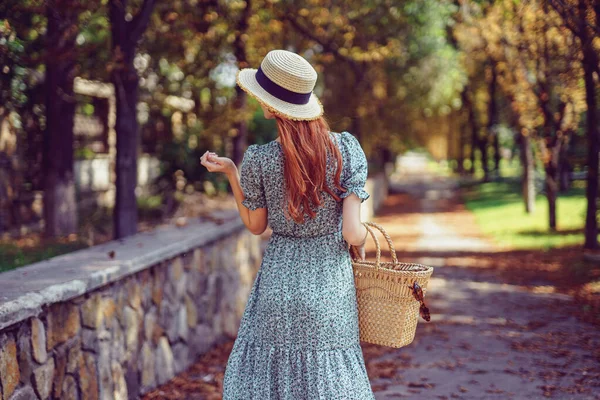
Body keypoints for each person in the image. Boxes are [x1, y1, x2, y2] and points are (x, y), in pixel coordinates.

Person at [200, 49, 375, 399]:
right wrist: (365, 236)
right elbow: (352, 233)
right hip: (329, 289)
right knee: (331, 380)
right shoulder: (344, 151)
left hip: (278, 286)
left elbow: (254, 225)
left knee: (274, 381)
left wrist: (233, 174)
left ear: (271, 106)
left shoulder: (259, 159)